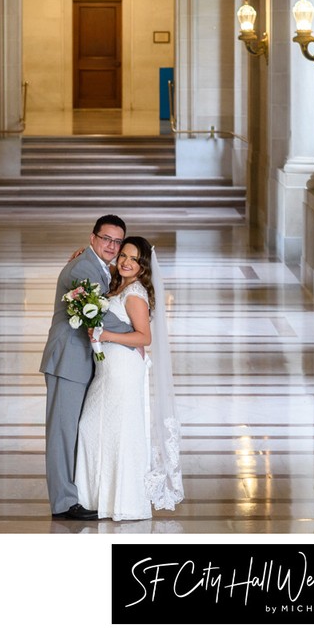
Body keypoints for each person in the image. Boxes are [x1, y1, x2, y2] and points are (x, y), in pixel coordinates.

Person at [74, 236, 184, 521]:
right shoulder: (119, 282)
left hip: (123, 370)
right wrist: (82, 258)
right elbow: (104, 269)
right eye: (123, 255)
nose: (125, 261)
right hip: (108, 371)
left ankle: (124, 501)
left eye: (133, 259)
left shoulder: (134, 293)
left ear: (143, 266)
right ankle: (95, 498)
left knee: (119, 433)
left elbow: (144, 337)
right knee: (93, 429)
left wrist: (107, 334)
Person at [40, 214, 133, 520]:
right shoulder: (84, 268)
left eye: (117, 241)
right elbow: (99, 313)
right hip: (68, 360)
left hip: (80, 361)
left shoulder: (98, 266)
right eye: (106, 238)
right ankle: (64, 503)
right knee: (62, 434)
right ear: (93, 238)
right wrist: (136, 334)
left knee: (73, 432)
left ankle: (74, 492)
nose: (111, 246)